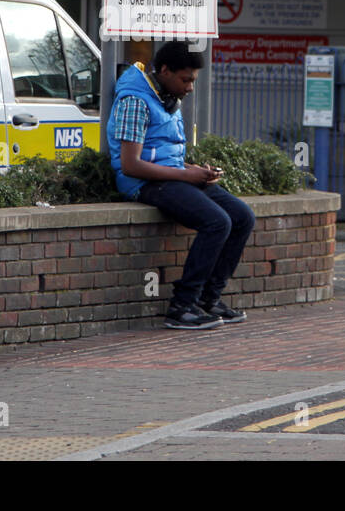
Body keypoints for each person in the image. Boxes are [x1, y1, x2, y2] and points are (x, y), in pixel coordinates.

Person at [107, 41, 256, 330]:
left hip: (171, 176)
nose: (190, 88)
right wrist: (186, 176)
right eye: (185, 80)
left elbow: (165, 154)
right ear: (164, 71)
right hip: (143, 182)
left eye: (193, 81)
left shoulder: (166, 97)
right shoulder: (135, 101)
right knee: (217, 222)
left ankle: (208, 300)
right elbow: (130, 165)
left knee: (242, 217)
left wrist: (196, 171)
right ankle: (182, 306)